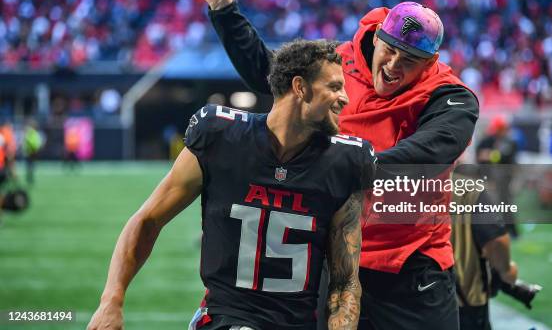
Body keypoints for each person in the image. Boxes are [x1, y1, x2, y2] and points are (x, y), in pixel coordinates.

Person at [201, 0, 479, 329]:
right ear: (378, 36)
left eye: (409, 59)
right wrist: (224, 9)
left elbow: (430, 152)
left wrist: (342, 166)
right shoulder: (336, 62)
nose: (394, 65)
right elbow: (272, 75)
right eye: (390, 50)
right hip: (336, 255)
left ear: (430, 62)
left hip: (410, 261)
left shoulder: (449, 96)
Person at [87, 39, 376, 330]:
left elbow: (344, 281)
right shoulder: (222, 137)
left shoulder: (345, 161)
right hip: (225, 319)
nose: (345, 99)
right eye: (335, 87)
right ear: (300, 88)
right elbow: (148, 220)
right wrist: (111, 301)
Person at [451, 172, 518, 330]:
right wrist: (506, 271)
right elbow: (496, 241)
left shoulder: (391, 187)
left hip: (400, 305)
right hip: (462, 300)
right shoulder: (468, 189)